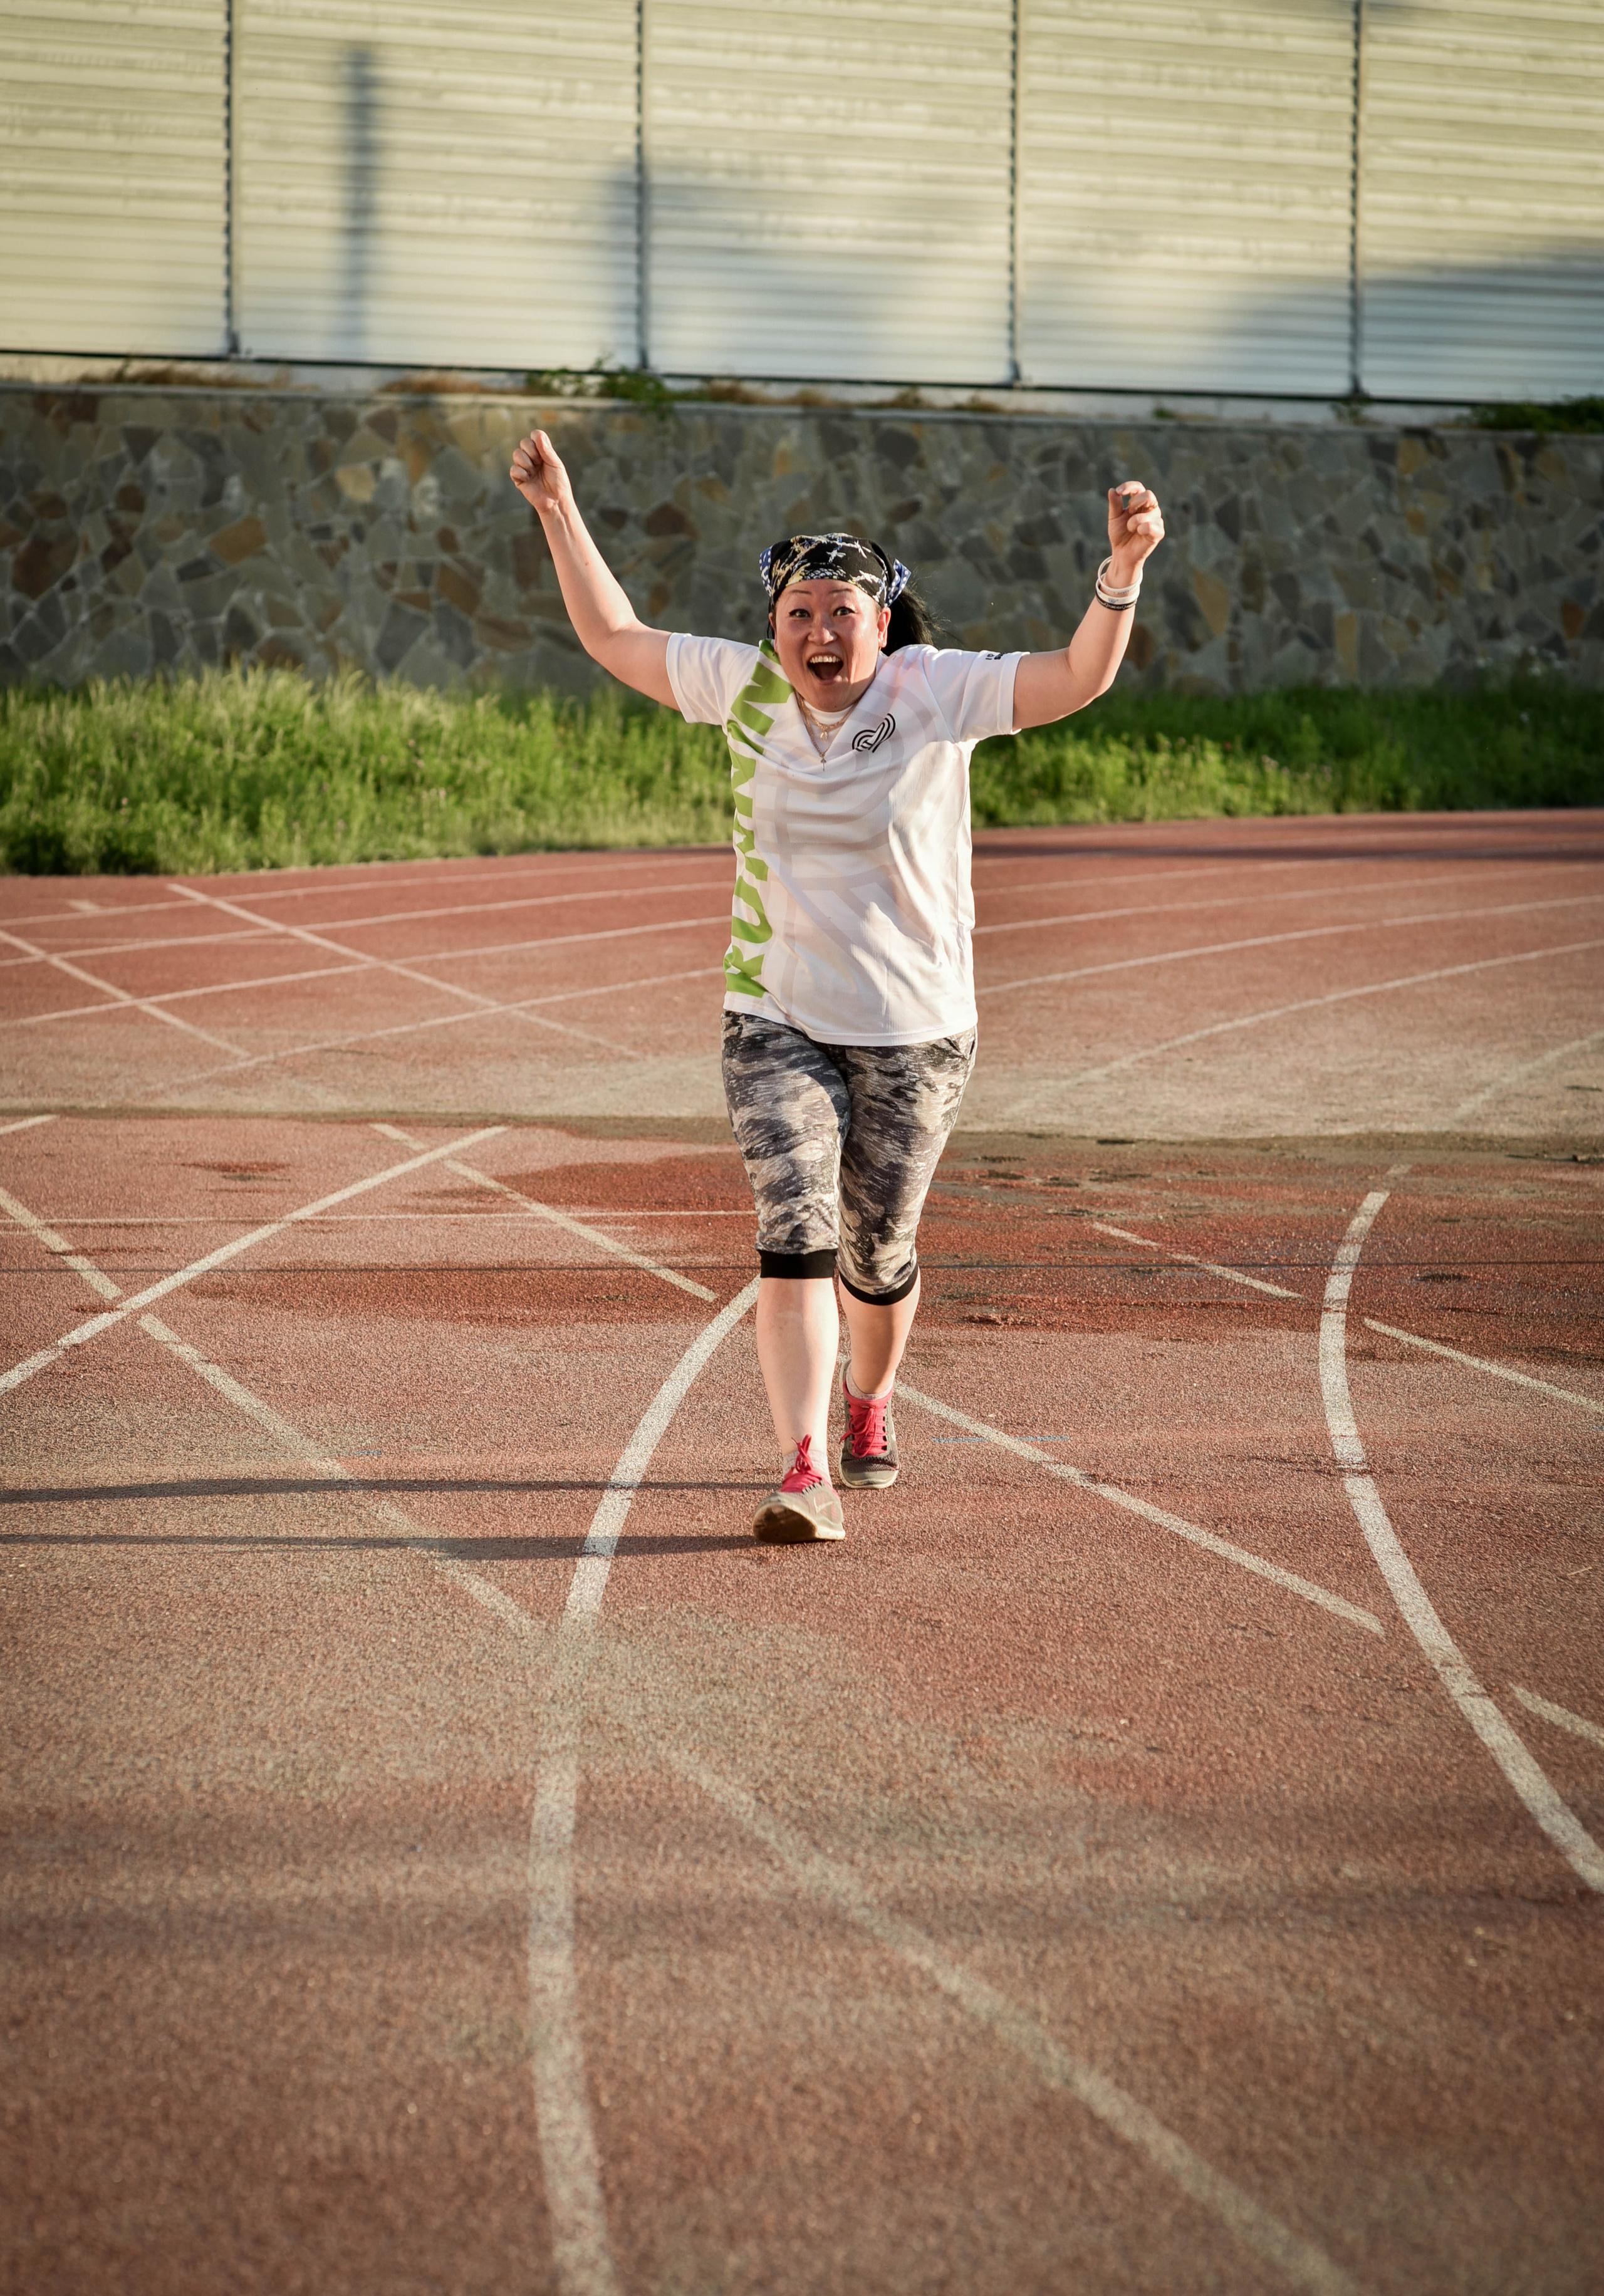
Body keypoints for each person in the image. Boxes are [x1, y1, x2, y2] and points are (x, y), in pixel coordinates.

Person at [509, 428, 1164, 1544]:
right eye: (799, 612)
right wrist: (557, 511)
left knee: (877, 1252)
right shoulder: (742, 688)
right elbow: (616, 637)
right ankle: (802, 1466)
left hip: (918, 1028)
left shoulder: (934, 690)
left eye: (842, 612)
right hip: (775, 1014)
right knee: (793, 1231)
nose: (820, 631)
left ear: (883, 621)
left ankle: (870, 1399)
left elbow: (1075, 678)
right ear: (773, 626)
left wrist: (1123, 573)